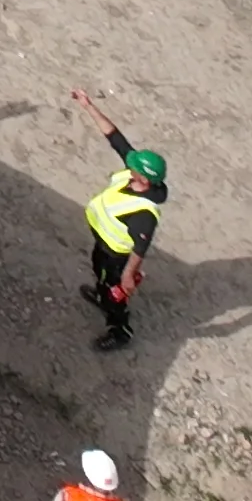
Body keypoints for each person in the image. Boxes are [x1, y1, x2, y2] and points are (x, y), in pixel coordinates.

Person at [82, 121, 167, 352]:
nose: (130, 164)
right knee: (98, 270)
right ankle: (102, 294)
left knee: (115, 294)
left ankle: (120, 330)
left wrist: (128, 275)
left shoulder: (143, 214)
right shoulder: (132, 178)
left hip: (116, 257)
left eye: (135, 167)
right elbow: (116, 139)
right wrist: (88, 106)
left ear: (144, 179)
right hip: (103, 246)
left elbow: (141, 247)